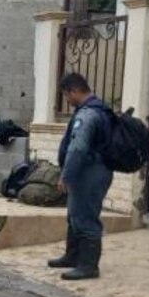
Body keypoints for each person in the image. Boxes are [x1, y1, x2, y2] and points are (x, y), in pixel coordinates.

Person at [50, 73, 113, 281]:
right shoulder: (97, 110)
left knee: (85, 217)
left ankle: (88, 266)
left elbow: (77, 149)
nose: (67, 101)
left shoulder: (88, 115)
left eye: (66, 96)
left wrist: (66, 176)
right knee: (75, 214)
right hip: (92, 171)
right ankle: (72, 256)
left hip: (90, 173)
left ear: (73, 91)